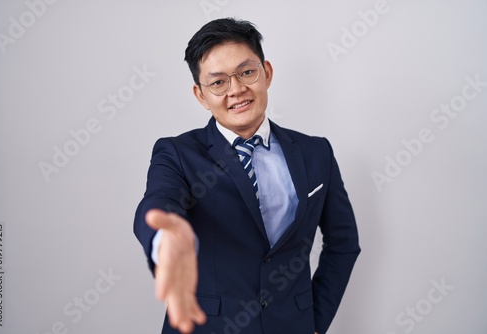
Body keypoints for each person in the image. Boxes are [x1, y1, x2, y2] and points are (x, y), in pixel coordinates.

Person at [134, 18, 361, 334]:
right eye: (218, 82)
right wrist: (165, 239)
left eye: (246, 72)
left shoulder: (315, 152)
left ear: (266, 73)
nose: (237, 89)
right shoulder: (177, 153)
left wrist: (314, 322)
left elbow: (344, 242)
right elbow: (159, 202)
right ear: (200, 95)